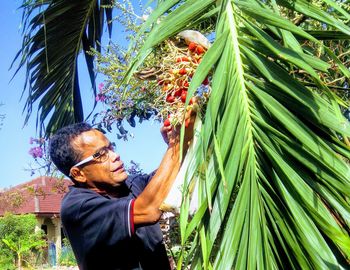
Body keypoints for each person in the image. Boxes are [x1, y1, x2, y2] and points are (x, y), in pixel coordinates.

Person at [49, 112, 195, 270]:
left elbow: (171, 179)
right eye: (101, 154)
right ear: (79, 174)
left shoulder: (131, 185)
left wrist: (182, 139)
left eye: (111, 147)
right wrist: (176, 145)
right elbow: (148, 210)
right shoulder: (78, 206)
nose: (115, 156)